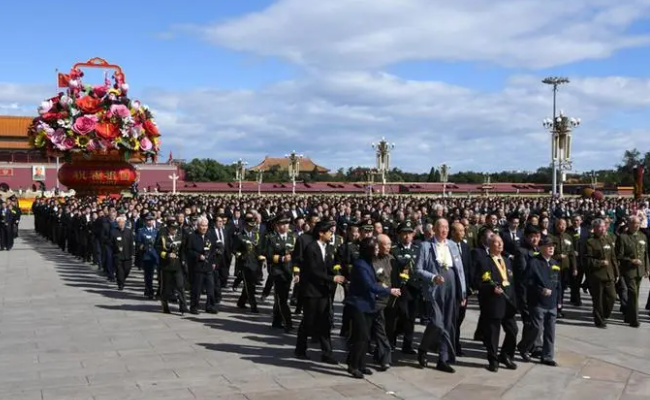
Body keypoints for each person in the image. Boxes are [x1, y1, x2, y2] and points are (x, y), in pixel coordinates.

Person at [414, 218, 466, 373]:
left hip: (451, 284)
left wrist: (462, 291)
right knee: (437, 323)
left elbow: (460, 269)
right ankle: (423, 348)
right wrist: (432, 277)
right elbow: (418, 269)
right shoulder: (426, 246)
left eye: (446, 227)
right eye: (441, 227)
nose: (444, 230)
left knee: (449, 322)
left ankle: (442, 358)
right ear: (434, 229)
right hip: (435, 286)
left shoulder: (452, 245)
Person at [345, 237, 401, 379]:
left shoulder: (369, 262)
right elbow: (369, 285)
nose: (377, 251)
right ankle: (353, 365)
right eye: (375, 248)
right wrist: (389, 290)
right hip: (359, 305)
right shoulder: (360, 265)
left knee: (367, 337)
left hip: (369, 305)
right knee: (361, 336)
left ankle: (361, 364)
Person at [294, 219, 344, 364]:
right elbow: (314, 271)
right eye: (329, 231)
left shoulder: (327, 247)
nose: (331, 234)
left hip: (323, 291)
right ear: (321, 233)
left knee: (324, 322)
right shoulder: (311, 248)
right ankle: (300, 349)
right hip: (311, 291)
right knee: (308, 321)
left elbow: (329, 265)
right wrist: (332, 278)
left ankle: (327, 353)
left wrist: (338, 273)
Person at [477, 235, 518, 372]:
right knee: (493, 333)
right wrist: (491, 288)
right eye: (496, 242)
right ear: (490, 245)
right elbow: (480, 282)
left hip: (508, 301)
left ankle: (506, 355)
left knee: (513, 330)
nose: (500, 245)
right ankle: (493, 360)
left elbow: (511, 281)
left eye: (501, 242)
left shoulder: (507, 260)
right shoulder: (485, 261)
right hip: (494, 302)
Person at [518, 237, 561, 366]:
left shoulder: (555, 263)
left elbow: (559, 284)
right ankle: (524, 346)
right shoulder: (534, 262)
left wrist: (559, 301)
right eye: (548, 246)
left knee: (550, 331)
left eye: (552, 246)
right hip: (538, 302)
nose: (551, 248)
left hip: (552, 302)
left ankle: (547, 356)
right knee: (537, 328)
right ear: (541, 248)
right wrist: (540, 289)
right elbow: (527, 281)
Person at [584, 219, 619, 328]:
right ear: (594, 229)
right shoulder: (590, 242)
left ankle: (604, 314)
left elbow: (613, 258)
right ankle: (599, 321)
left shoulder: (608, 240)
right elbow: (587, 260)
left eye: (604, 226)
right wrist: (600, 263)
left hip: (609, 274)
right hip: (597, 275)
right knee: (598, 300)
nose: (603, 228)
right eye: (600, 227)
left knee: (612, 297)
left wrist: (616, 272)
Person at [616, 216, 649, 327]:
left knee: (635, 294)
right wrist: (631, 260)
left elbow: (645, 254)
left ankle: (628, 315)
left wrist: (647, 268)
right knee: (633, 293)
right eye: (635, 223)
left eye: (638, 223)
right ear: (629, 224)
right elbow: (619, 256)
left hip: (640, 270)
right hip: (629, 270)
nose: (637, 225)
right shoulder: (623, 237)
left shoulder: (642, 236)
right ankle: (634, 319)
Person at [186, 216, 217, 315]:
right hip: (198, 266)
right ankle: (194, 306)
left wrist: (213, 262)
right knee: (197, 288)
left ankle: (210, 306)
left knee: (211, 288)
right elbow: (188, 251)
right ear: (198, 226)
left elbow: (214, 250)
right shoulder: (192, 236)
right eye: (202, 226)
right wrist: (198, 256)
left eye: (206, 226)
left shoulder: (211, 235)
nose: (204, 228)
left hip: (208, 266)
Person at [155, 220, 188, 314]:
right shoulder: (163, 237)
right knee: (166, 288)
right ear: (168, 228)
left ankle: (183, 307)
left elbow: (182, 250)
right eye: (172, 228)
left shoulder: (180, 237)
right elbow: (157, 248)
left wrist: (183, 261)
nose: (174, 230)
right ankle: (165, 305)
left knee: (180, 286)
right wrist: (167, 255)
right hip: (166, 266)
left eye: (176, 228)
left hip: (177, 266)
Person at [110, 215, 134, 291]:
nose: (121, 224)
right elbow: (110, 242)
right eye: (119, 222)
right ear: (117, 223)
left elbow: (131, 243)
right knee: (119, 270)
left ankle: (122, 279)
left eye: (123, 222)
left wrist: (132, 253)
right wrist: (116, 248)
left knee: (127, 269)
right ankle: (120, 284)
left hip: (127, 255)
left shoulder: (129, 231)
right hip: (118, 255)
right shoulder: (114, 232)